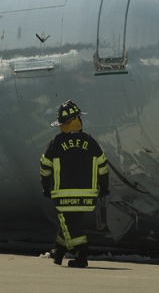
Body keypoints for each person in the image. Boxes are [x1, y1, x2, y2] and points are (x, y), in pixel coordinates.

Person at [39, 100, 109, 268]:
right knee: (72, 222)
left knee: (69, 222)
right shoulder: (90, 141)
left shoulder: (55, 142)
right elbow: (102, 166)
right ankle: (59, 250)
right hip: (87, 195)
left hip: (63, 195)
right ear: (78, 120)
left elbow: (45, 167)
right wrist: (104, 187)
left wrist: (46, 186)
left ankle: (81, 253)